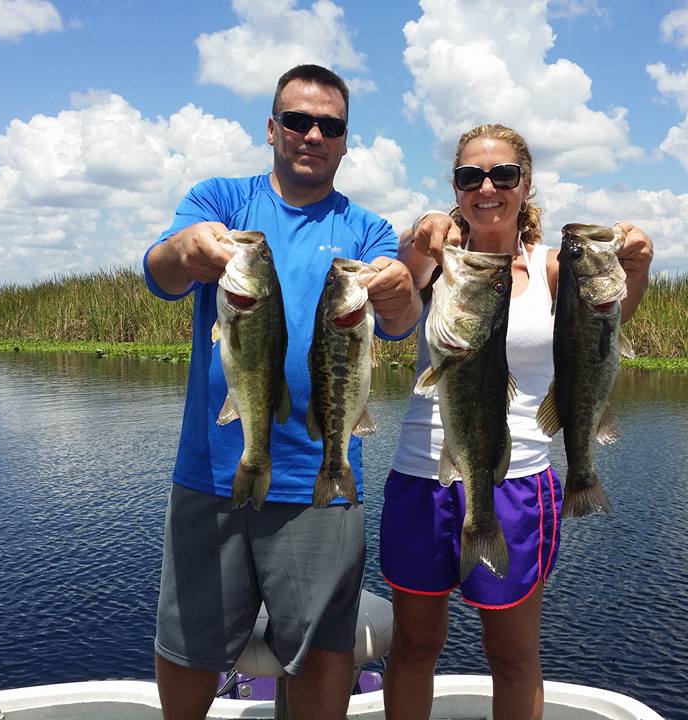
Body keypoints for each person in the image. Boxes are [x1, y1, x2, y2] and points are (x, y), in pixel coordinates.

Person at [143, 64, 420, 720]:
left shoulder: (368, 230)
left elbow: (403, 323)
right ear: (272, 128)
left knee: (324, 649)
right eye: (297, 120)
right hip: (213, 473)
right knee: (190, 643)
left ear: (346, 142)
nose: (312, 134)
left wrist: (402, 291)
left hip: (323, 481)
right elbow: (161, 273)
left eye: (330, 125)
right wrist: (185, 249)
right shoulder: (221, 200)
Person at [378, 123, 653, 720]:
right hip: (420, 475)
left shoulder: (557, 268)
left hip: (519, 477)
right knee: (415, 644)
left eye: (503, 175)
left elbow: (610, 318)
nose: (487, 187)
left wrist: (637, 261)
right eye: (470, 176)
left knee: (512, 654)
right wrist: (423, 231)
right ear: (455, 186)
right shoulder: (440, 262)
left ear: (525, 184)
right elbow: (404, 272)